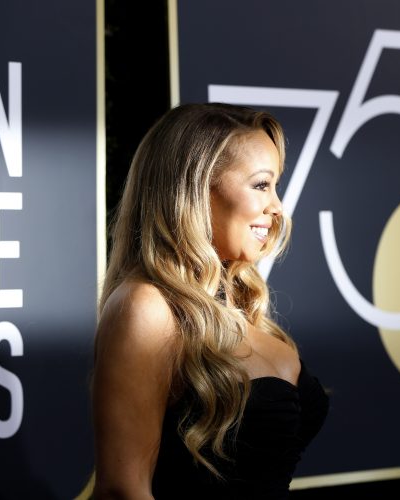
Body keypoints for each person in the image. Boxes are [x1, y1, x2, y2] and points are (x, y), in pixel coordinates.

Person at [92, 103, 329, 499]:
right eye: (260, 185)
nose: (277, 208)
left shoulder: (239, 305)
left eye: (275, 186)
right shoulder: (146, 308)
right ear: (196, 187)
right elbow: (122, 490)